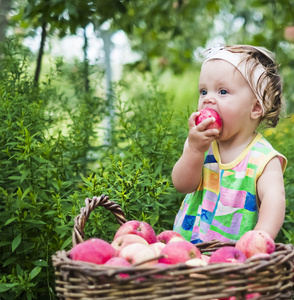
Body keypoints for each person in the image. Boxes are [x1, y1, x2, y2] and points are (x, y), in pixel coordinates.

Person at [172, 44, 287, 244]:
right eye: (203, 91)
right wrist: (194, 150)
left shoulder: (263, 158)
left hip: (234, 260)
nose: (208, 99)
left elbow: (273, 199)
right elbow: (182, 185)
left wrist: (258, 241)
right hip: (188, 252)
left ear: (256, 108)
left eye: (223, 91)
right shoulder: (201, 145)